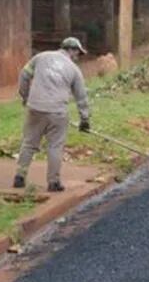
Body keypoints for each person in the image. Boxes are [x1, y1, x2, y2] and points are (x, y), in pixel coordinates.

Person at [13, 37, 91, 192]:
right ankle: (53, 182)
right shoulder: (74, 69)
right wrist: (85, 119)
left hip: (35, 108)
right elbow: (81, 97)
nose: (78, 57)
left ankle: (19, 177)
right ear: (73, 50)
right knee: (55, 146)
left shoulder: (40, 57)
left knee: (29, 143)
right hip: (57, 112)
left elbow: (24, 75)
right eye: (78, 54)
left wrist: (25, 96)